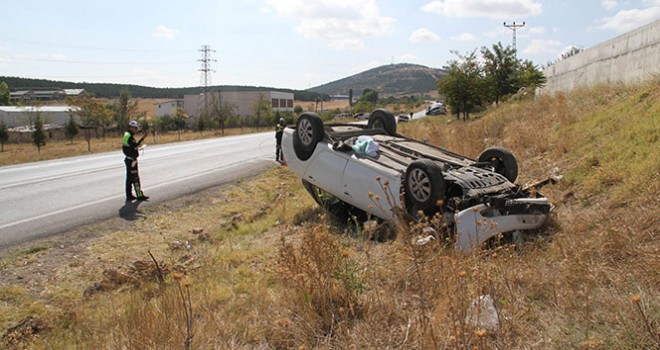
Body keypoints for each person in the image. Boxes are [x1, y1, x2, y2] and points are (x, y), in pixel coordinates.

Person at [122, 120, 149, 201]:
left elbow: (129, 147)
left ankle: (129, 195)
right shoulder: (129, 136)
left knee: (129, 179)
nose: (136, 130)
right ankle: (139, 195)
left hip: (129, 159)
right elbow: (135, 146)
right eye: (135, 128)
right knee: (135, 178)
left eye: (136, 128)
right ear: (131, 127)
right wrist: (143, 139)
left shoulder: (126, 135)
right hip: (131, 161)